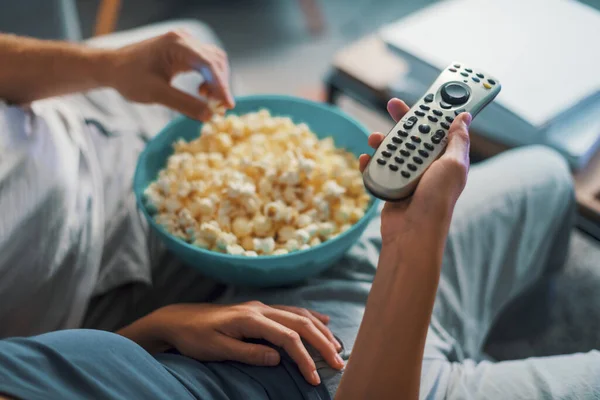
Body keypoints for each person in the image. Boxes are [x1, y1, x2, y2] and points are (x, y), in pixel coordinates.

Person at [0, 24, 599, 400]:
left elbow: (58, 367)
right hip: (340, 375)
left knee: (546, 176)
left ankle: (488, 341)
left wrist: (159, 328)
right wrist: (416, 238)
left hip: (259, 325)